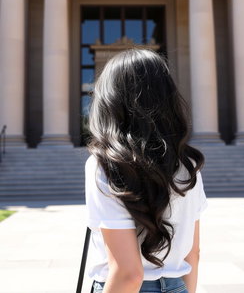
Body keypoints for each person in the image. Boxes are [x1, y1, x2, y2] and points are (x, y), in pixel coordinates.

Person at [85, 48, 207, 293]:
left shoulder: (106, 164)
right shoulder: (186, 165)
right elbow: (192, 254)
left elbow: (129, 274)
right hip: (178, 286)